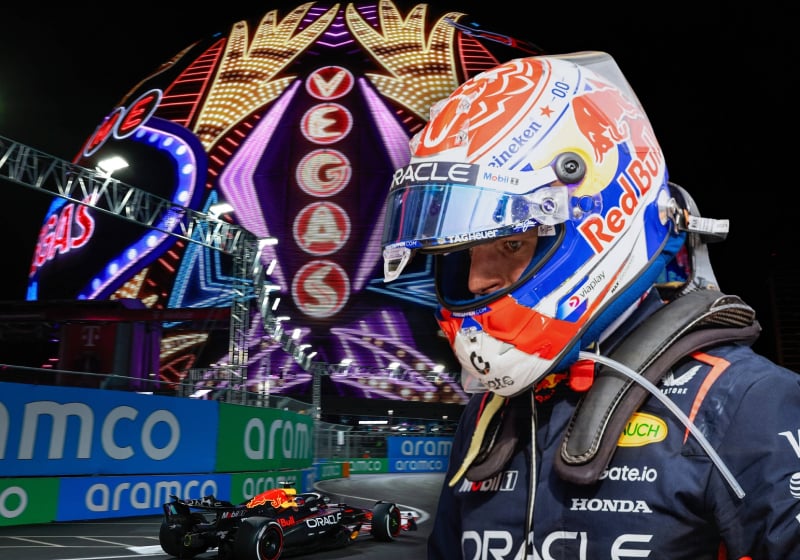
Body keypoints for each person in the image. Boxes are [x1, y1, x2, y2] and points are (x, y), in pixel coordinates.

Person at [380, 51, 800, 559]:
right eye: (463, 252)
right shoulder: (488, 416)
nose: (475, 279)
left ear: (601, 220)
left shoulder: (745, 403)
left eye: (511, 243)